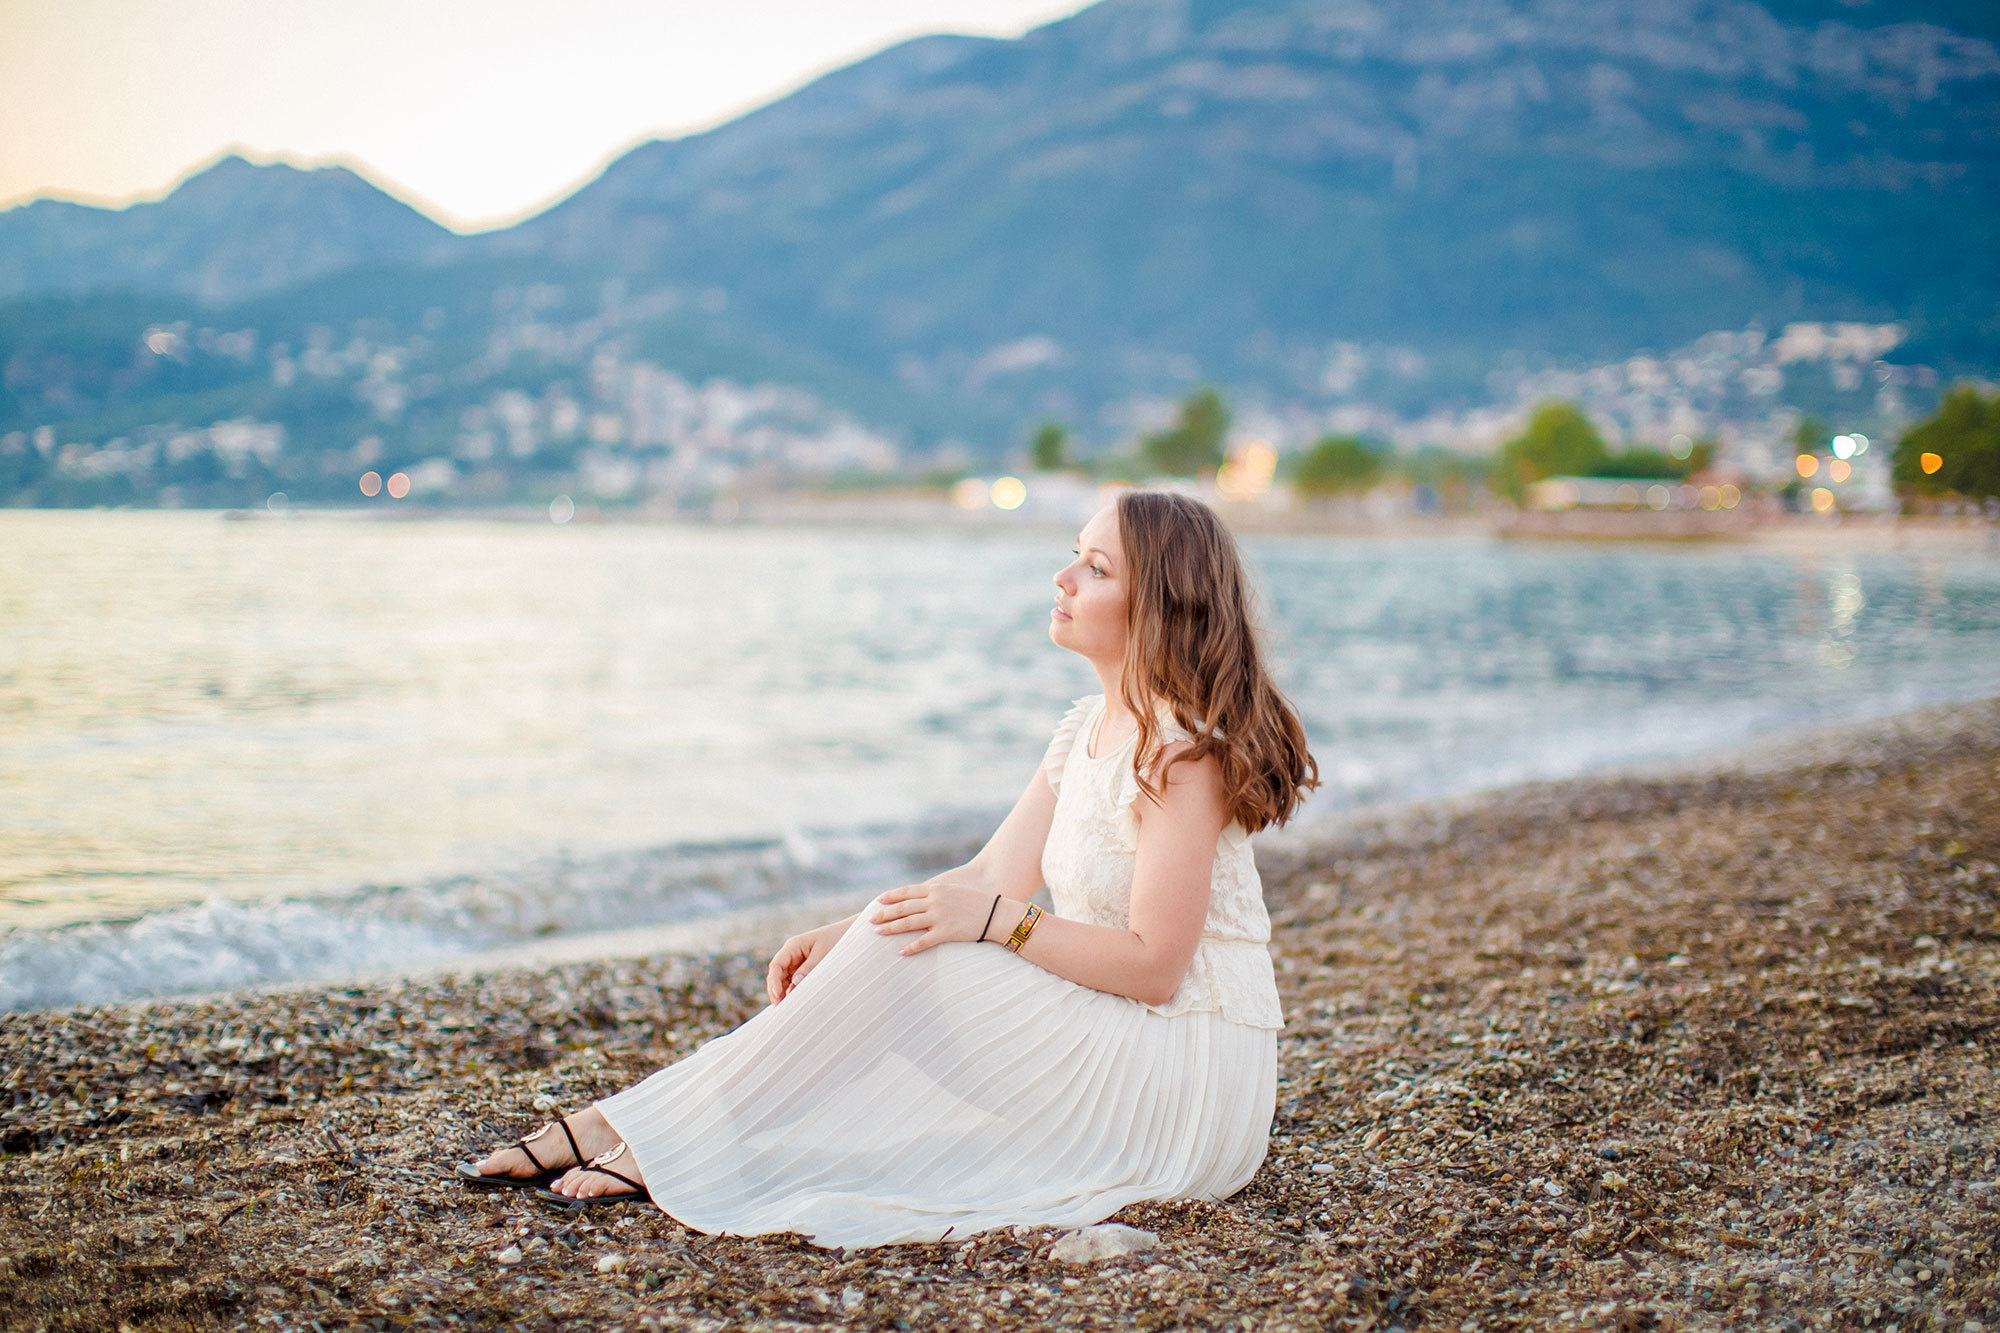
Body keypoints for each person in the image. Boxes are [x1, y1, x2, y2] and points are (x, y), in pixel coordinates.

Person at [456, 490, 1318, 1249]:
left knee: (932, 944)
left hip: (1189, 1080)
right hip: (1126, 1040)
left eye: (1095, 569)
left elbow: (1155, 966)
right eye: (1073, 557)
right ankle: (641, 1122)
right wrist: (851, 931)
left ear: (1160, 607)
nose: (1062, 580)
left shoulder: (1182, 755)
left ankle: (656, 1132)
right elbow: (992, 873)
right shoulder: (1087, 727)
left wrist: (992, 926)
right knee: (898, 932)